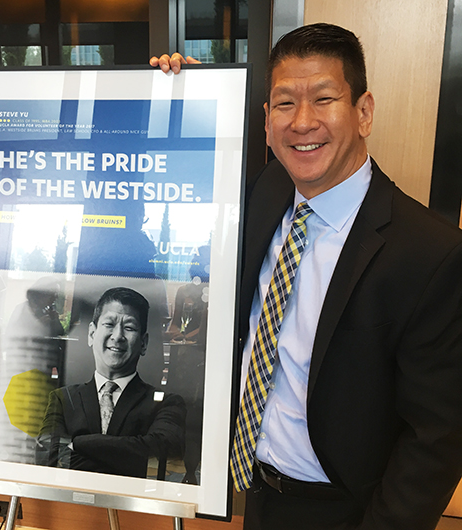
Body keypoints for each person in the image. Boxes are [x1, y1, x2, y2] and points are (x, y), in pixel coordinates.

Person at [151, 23, 462, 530]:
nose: (302, 123)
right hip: (258, 494)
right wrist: (188, 94)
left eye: (323, 98)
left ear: (363, 112)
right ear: (267, 119)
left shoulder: (430, 253)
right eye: (285, 104)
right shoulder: (267, 189)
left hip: (347, 510)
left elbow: (437, 437)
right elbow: (198, 161)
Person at [36, 287, 186, 478]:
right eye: (109, 324)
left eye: (130, 327)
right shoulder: (63, 399)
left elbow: (165, 457)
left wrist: (79, 444)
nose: (118, 336)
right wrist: (128, 455)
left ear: (144, 343)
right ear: (91, 334)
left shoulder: (167, 404)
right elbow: (47, 459)